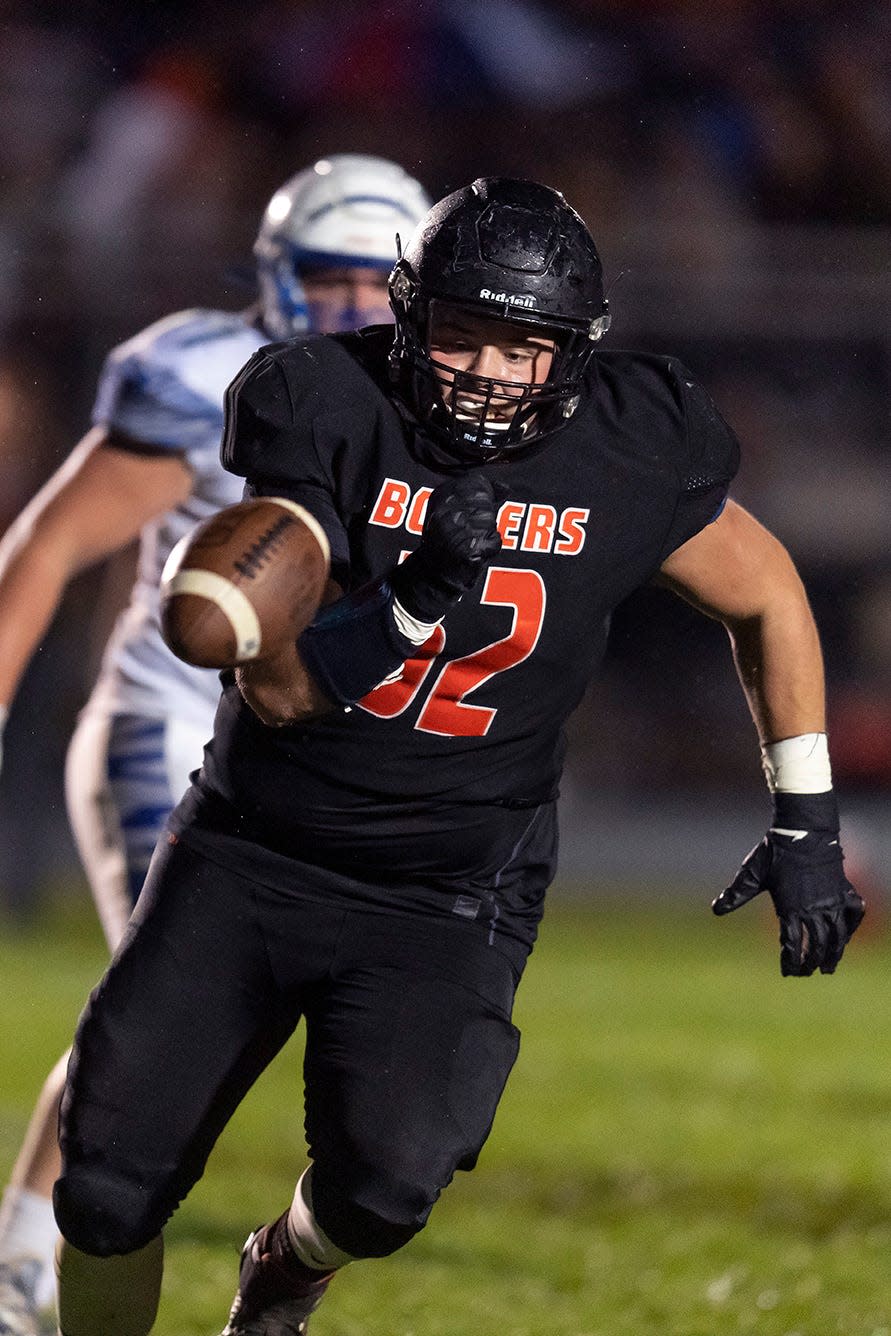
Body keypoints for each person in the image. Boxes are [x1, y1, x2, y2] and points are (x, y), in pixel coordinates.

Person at [50, 177, 864, 1336]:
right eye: (463, 334)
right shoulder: (327, 400)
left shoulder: (634, 442)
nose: (485, 369)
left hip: (450, 887)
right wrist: (412, 601)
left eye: (521, 346)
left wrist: (806, 819)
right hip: (255, 850)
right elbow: (275, 688)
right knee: (105, 1186)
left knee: (382, 1194)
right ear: (408, 314)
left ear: (573, 355)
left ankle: (284, 1264)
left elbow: (769, 594)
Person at [0, 153, 431, 1336]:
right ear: (279, 275)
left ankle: (29, 1244)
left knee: (186, 1018)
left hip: (306, 750)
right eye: (327, 279)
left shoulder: (437, 397)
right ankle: (26, 1257)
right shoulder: (198, 371)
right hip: (170, 720)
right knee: (161, 1003)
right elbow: (45, 550)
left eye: (370, 283)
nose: (349, 309)